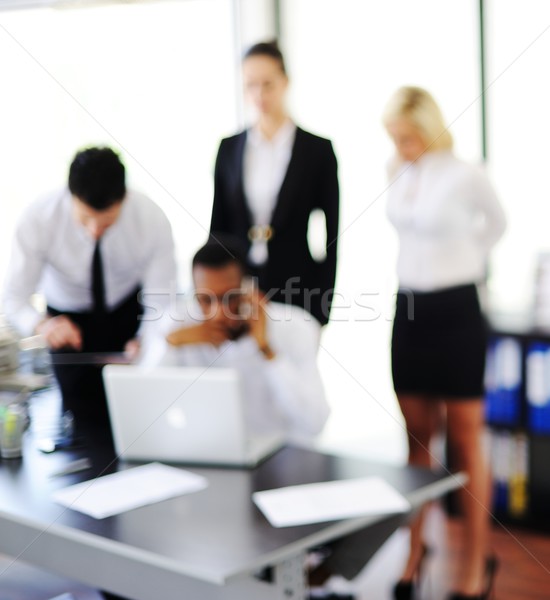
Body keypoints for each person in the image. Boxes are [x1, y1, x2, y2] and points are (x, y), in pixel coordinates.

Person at [383, 86, 506, 600]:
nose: (401, 146)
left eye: (409, 137)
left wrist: (464, 260)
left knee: (463, 441)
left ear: (429, 129)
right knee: (415, 440)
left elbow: (497, 225)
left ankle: (476, 562)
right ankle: (415, 551)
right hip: (409, 311)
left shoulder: (465, 174)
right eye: (395, 138)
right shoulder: (397, 170)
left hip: (456, 313)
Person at [3, 146, 177, 446]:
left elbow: (163, 300)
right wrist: (42, 325)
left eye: (107, 222)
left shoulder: (151, 218)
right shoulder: (38, 219)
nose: (95, 231)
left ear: (125, 198)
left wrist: (146, 340)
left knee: (137, 420)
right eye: (85, 220)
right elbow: (13, 299)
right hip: (67, 323)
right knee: (81, 427)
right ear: (70, 195)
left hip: (128, 316)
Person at [150, 236, 330, 443]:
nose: (218, 313)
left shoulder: (295, 327)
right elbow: (146, 411)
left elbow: (315, 422)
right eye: (206, 299)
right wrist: (170, 345)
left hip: (280, 456)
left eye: (231, 297)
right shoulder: (178, 327)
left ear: (249, 289)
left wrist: (267, 351)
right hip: (206, 452)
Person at [210, 40, 339, 327]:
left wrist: (322, 308)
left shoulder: (317, 150)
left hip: (300, 288)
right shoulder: (229, 149)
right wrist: (215, 297)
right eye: (251, 85)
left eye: (268, 84)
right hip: (239, 291)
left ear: (285, 82)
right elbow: (218, 227)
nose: (259, 94)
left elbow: (332, 236)